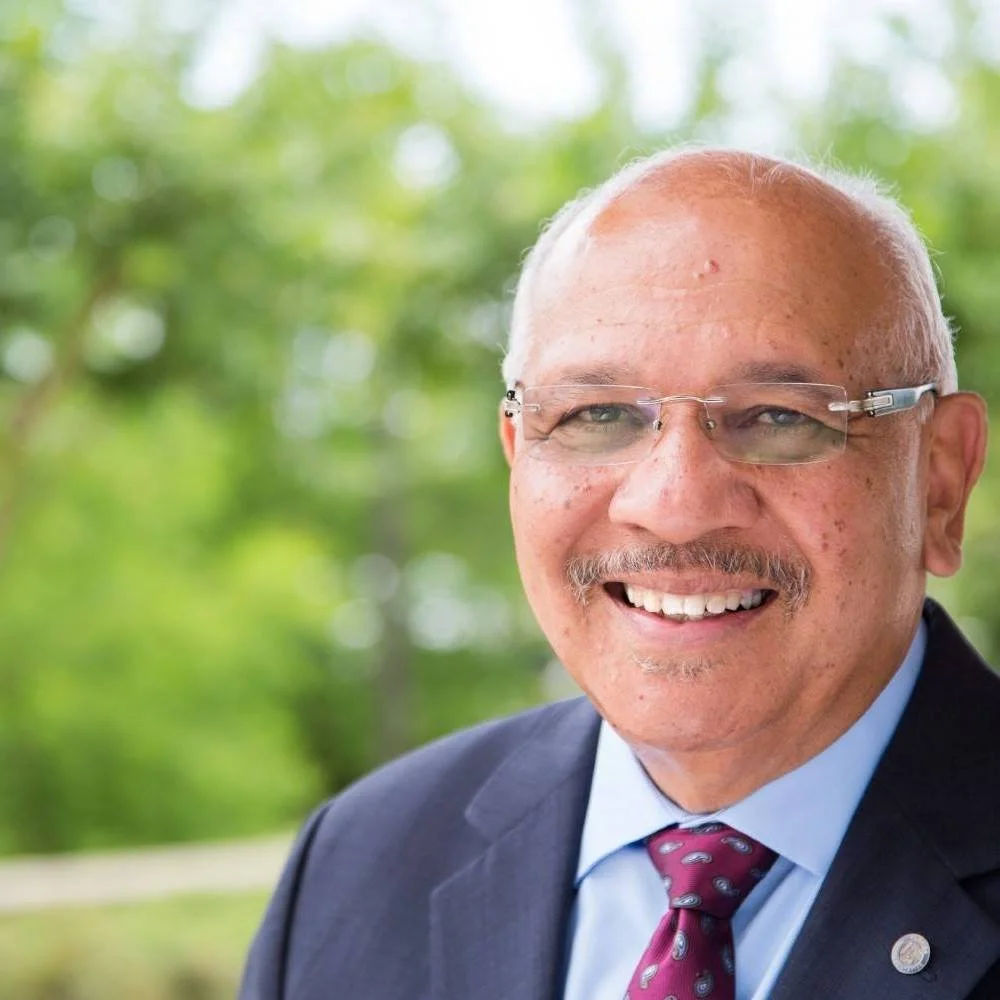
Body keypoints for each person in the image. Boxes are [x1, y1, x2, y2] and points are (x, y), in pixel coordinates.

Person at [239, 148, 1000, 1000]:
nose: (674, 503)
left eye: (781, 417)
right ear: (518, 457)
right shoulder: (358, 867)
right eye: (596, 414)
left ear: (940, 479)